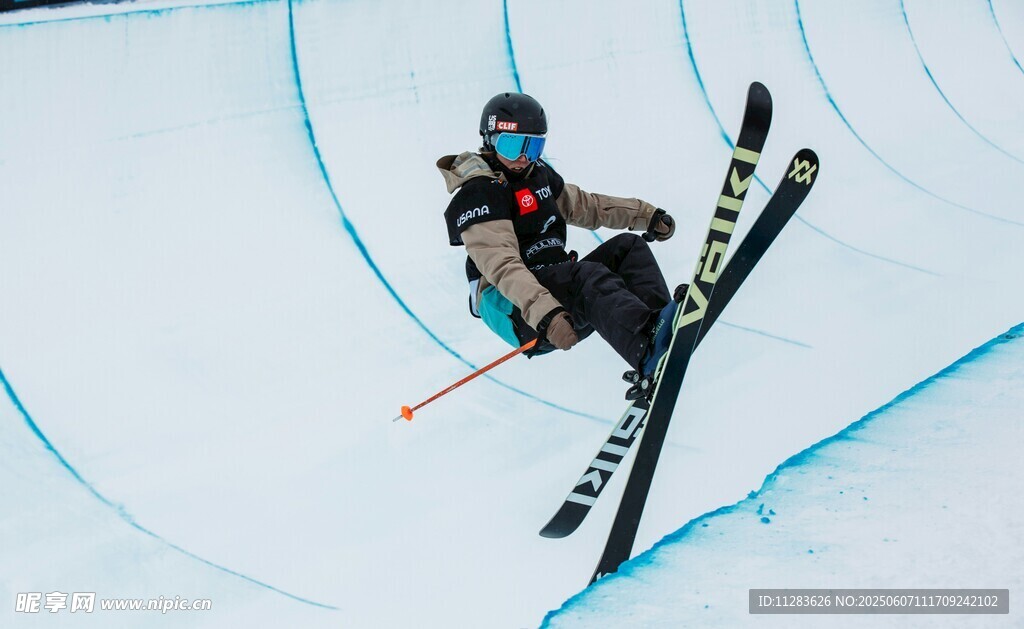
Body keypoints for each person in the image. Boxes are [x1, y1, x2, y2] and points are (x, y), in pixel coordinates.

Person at [438, 92, 685, 379]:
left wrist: (644, 215)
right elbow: (502, 267)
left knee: (628, 249)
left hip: (554, 289)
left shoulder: (537, 175)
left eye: (533, 147)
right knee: (587, 277)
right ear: (490, 141)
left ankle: (659, 331)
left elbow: (587, 206)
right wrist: (545, 314)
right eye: (512, 145)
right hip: (519, 311)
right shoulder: (478, 194)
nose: (521, 158)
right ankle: (645, 354)